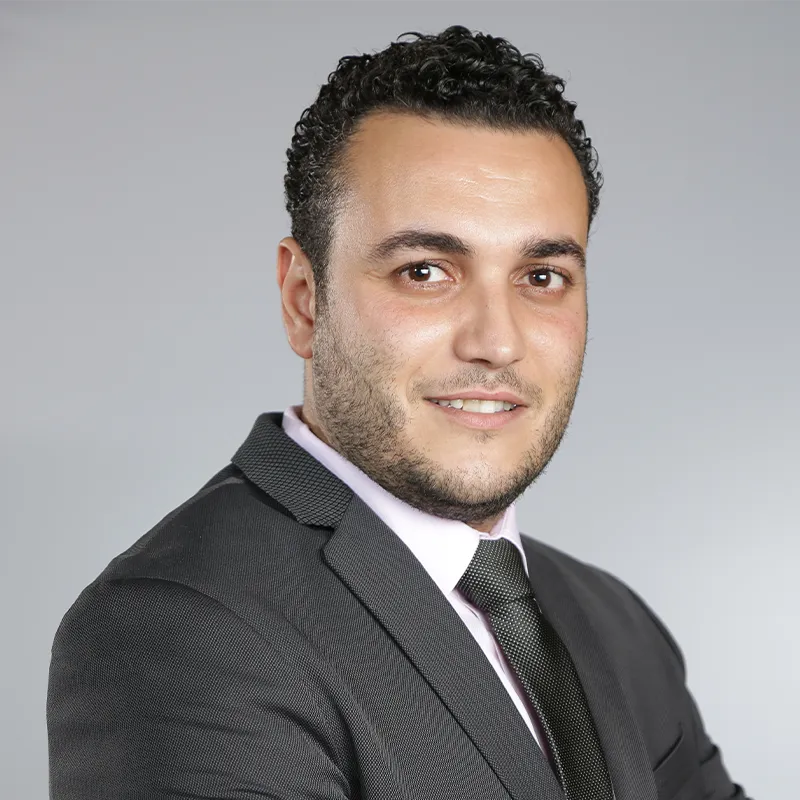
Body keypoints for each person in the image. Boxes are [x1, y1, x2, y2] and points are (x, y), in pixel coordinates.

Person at [47, 26, 750, 800]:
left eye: (542, 276)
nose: (497, 342)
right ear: (303, 298)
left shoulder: (615, 627)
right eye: (426, 271)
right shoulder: (180, 629)